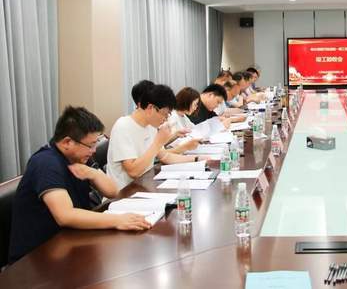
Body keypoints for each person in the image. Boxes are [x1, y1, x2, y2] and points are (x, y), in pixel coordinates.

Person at [9, 107, 151, 263]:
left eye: (96, 143)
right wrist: (118, 220)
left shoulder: (79, 156)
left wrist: (93, 173)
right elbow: (65, 215)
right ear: (67, 142)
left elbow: (112, 191)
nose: (94, 150)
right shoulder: (46, 163)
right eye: (91, 145)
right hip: (36, 258)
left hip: (70, 241)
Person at [107, 84, 202, 190]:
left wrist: (198, 159)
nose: (166, 119)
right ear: (150, 108)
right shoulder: (123, 126)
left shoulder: (151, 126)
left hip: (145, 186)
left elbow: (166, 157)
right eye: (165, 114)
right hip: (125, 192)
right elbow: (133, 171)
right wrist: (158, 143)